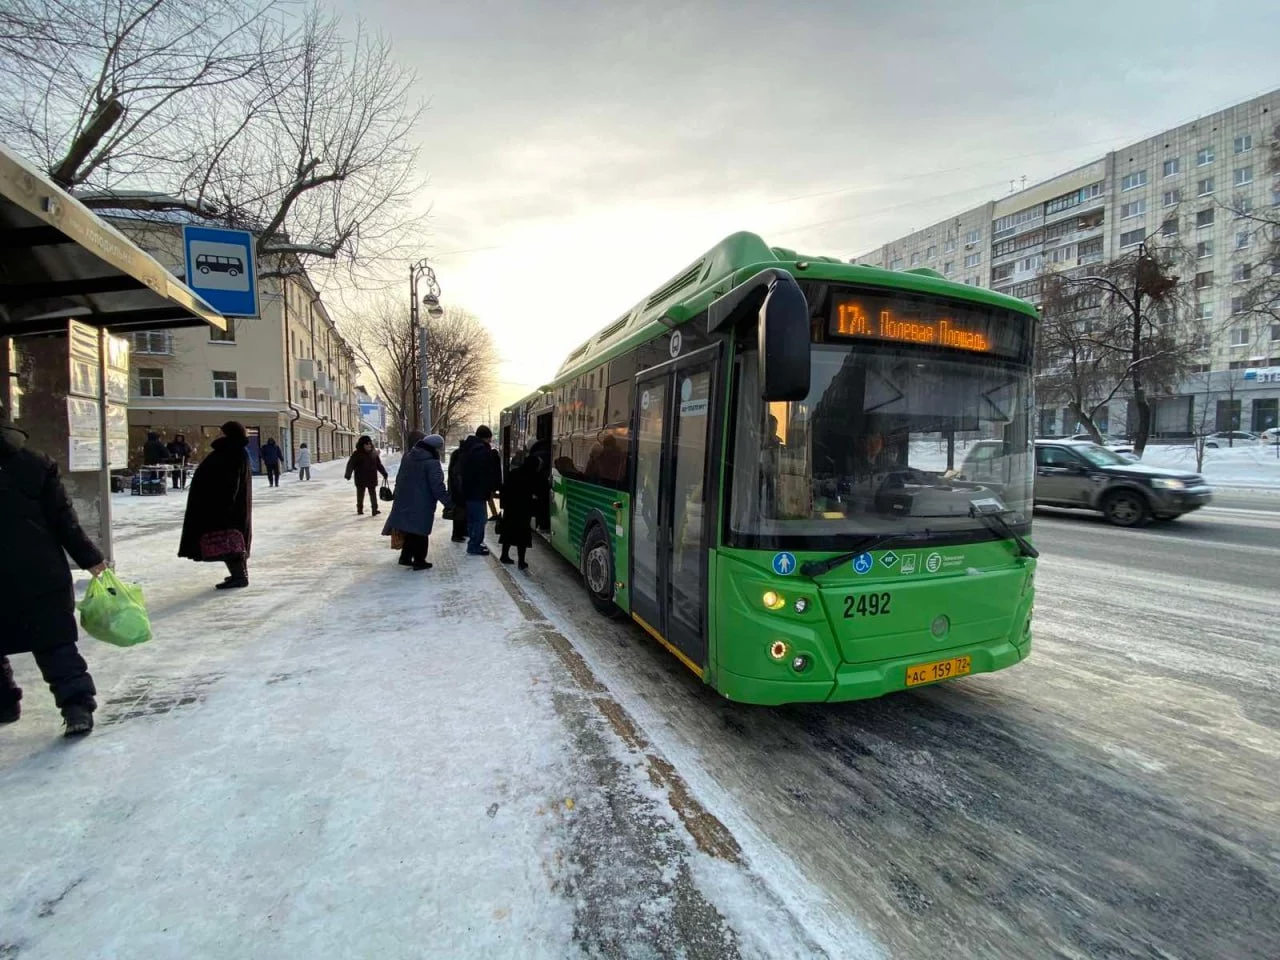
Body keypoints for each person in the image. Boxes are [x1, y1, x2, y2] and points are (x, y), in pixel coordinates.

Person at [0, 418, 108, 736]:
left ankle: (4, 703)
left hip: (27, 571)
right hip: (39, 570)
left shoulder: (34, 463)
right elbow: (63, 519)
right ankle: (77, 707)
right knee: (53, 642)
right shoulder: (35, 462)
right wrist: (92, 560)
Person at [178, 421, 253, 589]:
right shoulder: (233, 451)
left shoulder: (232, 452)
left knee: (230, 540)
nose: (218, 435)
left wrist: (223, 508)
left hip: (224, 508)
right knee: (234, 541)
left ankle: (240, 576)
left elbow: (230, 483)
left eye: (222, 432)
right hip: (227, 507)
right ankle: (239, 574)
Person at [382, 432, 451, 570]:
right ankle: (420, 561)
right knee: (420, 532)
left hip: (405, 499)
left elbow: (400, 477)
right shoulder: (431, 462)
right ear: (436, 448)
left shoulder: (408, 457)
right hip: (422, 502)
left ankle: (405, 557)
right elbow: (437, 486)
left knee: (409, 528)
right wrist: (448, 502)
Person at [460, 425, 501, 556]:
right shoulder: (480, 450)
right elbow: (484, 472)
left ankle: (475, 543)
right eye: (489, 439)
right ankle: (474, 545)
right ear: (486, 437)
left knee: (474, 519)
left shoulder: (469, 447)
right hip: (476, 491)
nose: (490, 441)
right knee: (479, 519)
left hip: (470, 490)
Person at [498, 451, 537, 569]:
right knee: (522, 536)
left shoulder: (514, 472)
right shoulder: (532, 476)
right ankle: (521, 561)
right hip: (524, 510)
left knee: (508, 532)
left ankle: (504, 555)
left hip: (511, 508)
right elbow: (536, 492)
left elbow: (504, 488)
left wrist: (504, 504)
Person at [345, 434, 389, 516]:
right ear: (362, 445)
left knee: (373, 494)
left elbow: (378, 465)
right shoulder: (357, 454)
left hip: (371, 477)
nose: (369, 445)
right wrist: (348, 474)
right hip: (360, 478)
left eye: (370, 443)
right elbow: (350, 464)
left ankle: (374, 509)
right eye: (366, 444)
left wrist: (384, 473)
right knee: (360, 494)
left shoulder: (374, 454)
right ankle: (360, 509)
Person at [448, 433, 477, 543]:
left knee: (460, 513)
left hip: (456, 489)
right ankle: (457, 534)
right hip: (459, 491)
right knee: (460, 513)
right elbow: (458, 474)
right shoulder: (461, 455)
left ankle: (460, 533)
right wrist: (462, 490)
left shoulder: (458, 453)